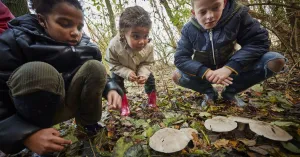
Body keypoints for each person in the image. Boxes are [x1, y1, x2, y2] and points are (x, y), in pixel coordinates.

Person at [0, 0, 123, 155]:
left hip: (67, 101)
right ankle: (38, 143)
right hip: (29, 115)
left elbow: (97, 73)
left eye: (79, 27)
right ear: (42, 20)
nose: (75, 32)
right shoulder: (14, 40)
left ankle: (88, 126)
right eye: (65, 24)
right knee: (37, 72)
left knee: (95, 66)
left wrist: (110, 88)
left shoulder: (83, 43)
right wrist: (26, 134)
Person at [172, 0, 286, 107]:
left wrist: (229, 67)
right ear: (194, 13)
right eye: (202, 12)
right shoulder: (188, 29)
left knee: (275, 61)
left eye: (215, 7)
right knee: (177, 75)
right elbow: (180, 58)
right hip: (205, 72)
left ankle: (230, 92)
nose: (210, 15)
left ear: (224, 3)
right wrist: (206, 72)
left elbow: (258, 42)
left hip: (233, 68)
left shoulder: (238, 15)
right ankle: (210, 93)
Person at [106, 6, 157, 116]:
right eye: (136, 36)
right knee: (116, 80)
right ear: (124, 33)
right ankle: (124, 105)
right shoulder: (114, 46)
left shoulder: (149, 46)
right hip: (121, 69)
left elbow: (147, 63)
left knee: (150, 79)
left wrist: (143, 74)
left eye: (145, 36)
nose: (142, 41)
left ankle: (152, 101)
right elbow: (113, 64)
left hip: (139, 67)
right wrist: (127, 73)